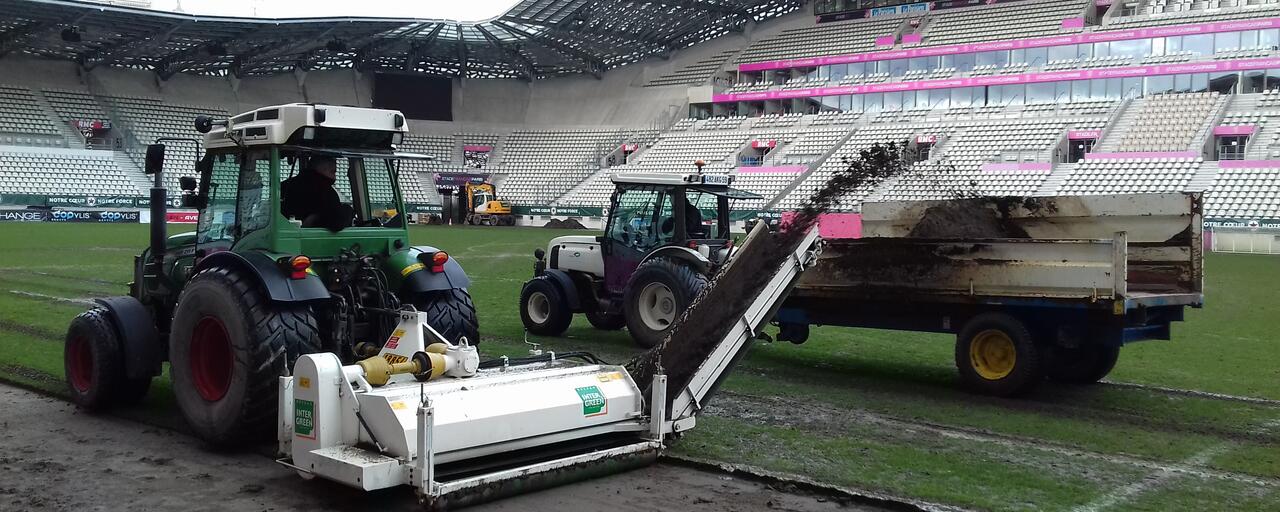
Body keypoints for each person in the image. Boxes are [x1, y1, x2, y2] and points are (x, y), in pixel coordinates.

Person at [281, 156, 352, 231]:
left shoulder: (284, 186)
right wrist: (347, 211)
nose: (335, 177)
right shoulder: (326, 191)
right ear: (322, 169)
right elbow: (336, 223)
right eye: (333, 172)